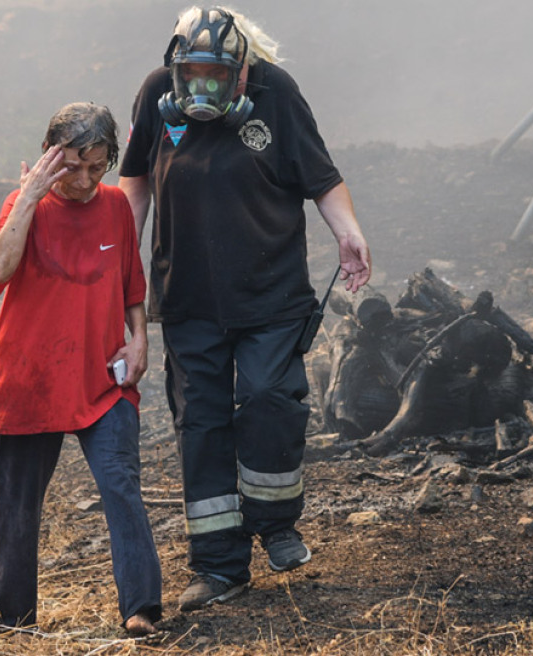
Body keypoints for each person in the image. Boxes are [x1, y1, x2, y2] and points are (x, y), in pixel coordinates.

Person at [117, 6, 372, 612]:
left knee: (267, 398)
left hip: (271, 296)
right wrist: (120, 274)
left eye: (217, 75)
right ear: (175, 68)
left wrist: (349, 232)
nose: (202, 87)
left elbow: (321, 177)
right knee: (200, 425)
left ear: (243, 70)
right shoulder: (156, 94)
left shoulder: (276, 92)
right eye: (192, 74)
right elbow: (134, 184)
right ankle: (218, 567)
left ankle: (277, 523)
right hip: (187, 298)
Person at [0, 102, 163, 635]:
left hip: (101, 379)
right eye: (73, 166)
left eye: (97, 166)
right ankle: (13, 621)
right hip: (29, 379)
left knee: (121, 486)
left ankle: (141, 608)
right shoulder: (24, 204)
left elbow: (132, 283)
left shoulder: (114, 208)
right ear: (49, 157)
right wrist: (31, 199)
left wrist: (140, 339)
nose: (84, 180)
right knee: (17, 508)